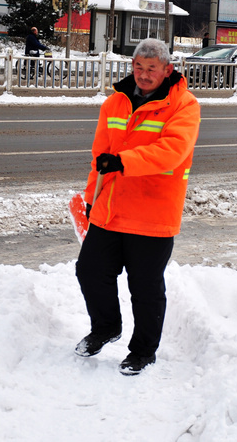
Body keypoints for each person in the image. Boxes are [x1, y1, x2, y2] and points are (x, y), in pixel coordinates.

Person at [74, 38, 201, 376]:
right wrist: (91, 200)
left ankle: (143, 351)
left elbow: (172, 151)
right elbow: (100, 161)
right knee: (90, 271)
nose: (144, 75)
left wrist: (122, 161)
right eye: (139, 67)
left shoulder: (184, 106)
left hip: (153, 213)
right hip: (111, 208)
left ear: (167, 70)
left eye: (152, 69)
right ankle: (106, 327)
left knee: (144, 288)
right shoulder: (114, 103)